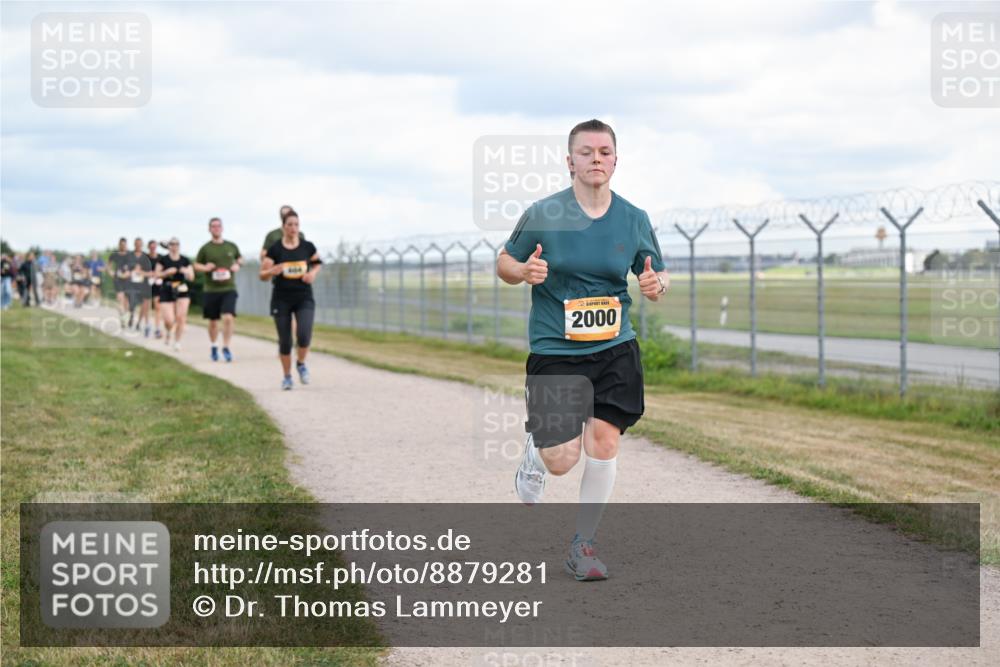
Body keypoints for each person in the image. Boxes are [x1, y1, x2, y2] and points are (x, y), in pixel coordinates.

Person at [497, 119, 669, 582]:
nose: (597, 159)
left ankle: (583, 544)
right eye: (587, 152)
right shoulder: (543, 213)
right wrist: (522, 272)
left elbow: (657, 271)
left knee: (605, 441)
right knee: (562, 459)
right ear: (569, 161)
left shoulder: (633, 218)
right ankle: (537, 452)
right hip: (557, 349)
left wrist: (656, 284)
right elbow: (505, 260)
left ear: (615, 160)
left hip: (615, 347)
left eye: (605, 152)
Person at [259, 209, 322, 390]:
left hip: (304, 297)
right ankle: (287, 377)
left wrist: (312, 274)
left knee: (304, 334)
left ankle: (301, 363)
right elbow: (262, 275)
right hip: (281, 299)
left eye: (296, 224)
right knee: (285, 341)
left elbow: (317, 263)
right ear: (283, 227)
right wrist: (272, 271)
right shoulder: (275, 249)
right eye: (290, 225)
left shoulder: (307, 246)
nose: (293, 228)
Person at [194, 217, 242, 362]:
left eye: (218, 226)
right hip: (211, 289)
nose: (216, 228)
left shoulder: (231, 246)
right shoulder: (205, 248)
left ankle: (226, 347)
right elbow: (196, 265)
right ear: (209, 229)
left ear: (222, 228)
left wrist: (237, 265)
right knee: (213, 321)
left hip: (229, 288)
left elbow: (240, 259)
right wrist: (205, 267)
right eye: (213, 226)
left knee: (228, 317)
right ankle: (214, 345)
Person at [156, 237, 194, 351]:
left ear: (179, 246)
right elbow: (156, 274)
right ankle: (168, 330)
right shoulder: (163, 260)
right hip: (166, 289)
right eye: (172, 244)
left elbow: (192, 277)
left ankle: (177, 342)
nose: (174, 246)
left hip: (182, 289)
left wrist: (186, 272)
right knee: (169, 320)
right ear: (169, 246)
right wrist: (166, 272)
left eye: (176, 244)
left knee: (181, 317)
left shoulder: (185, 260)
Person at [126, 238, 153, 331]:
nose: (138, 245)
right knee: (132, 302)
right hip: (131, 283)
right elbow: (126, 268)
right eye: (136, 244)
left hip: (143, 284)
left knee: (143, 305)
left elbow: (150, 272)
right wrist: (130, 272)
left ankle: (139, 322)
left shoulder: (146, 257)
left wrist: (141, 272)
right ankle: (131, 316)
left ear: (142, 245)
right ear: (134, 244)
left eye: (140, 244)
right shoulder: (129, 255)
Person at [109, 238, 133, 324]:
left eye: (124, 245)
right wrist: (111, 273)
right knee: (120, 298)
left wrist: (129, 273)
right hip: (118, 279)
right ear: (119, 245)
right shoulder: (115, 254)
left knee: (127, 301)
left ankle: (127, 316)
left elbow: (134, 266)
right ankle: (123, 316)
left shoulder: (130, 254)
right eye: (121, 245)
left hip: (128, 280)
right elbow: (108, 265)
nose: (123, 246)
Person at [144, 239, 164, 338]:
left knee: (157, 306)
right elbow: (139, 271)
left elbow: (164, 271)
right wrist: (149, 274)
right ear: (148, 247)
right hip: (146, 284)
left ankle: (157, 328)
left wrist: (158, 275)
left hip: (157, 284)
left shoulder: (161, 258)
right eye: (151, 247)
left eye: (154, 246)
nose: (153, 248)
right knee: (147, 306)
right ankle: (147, 325)